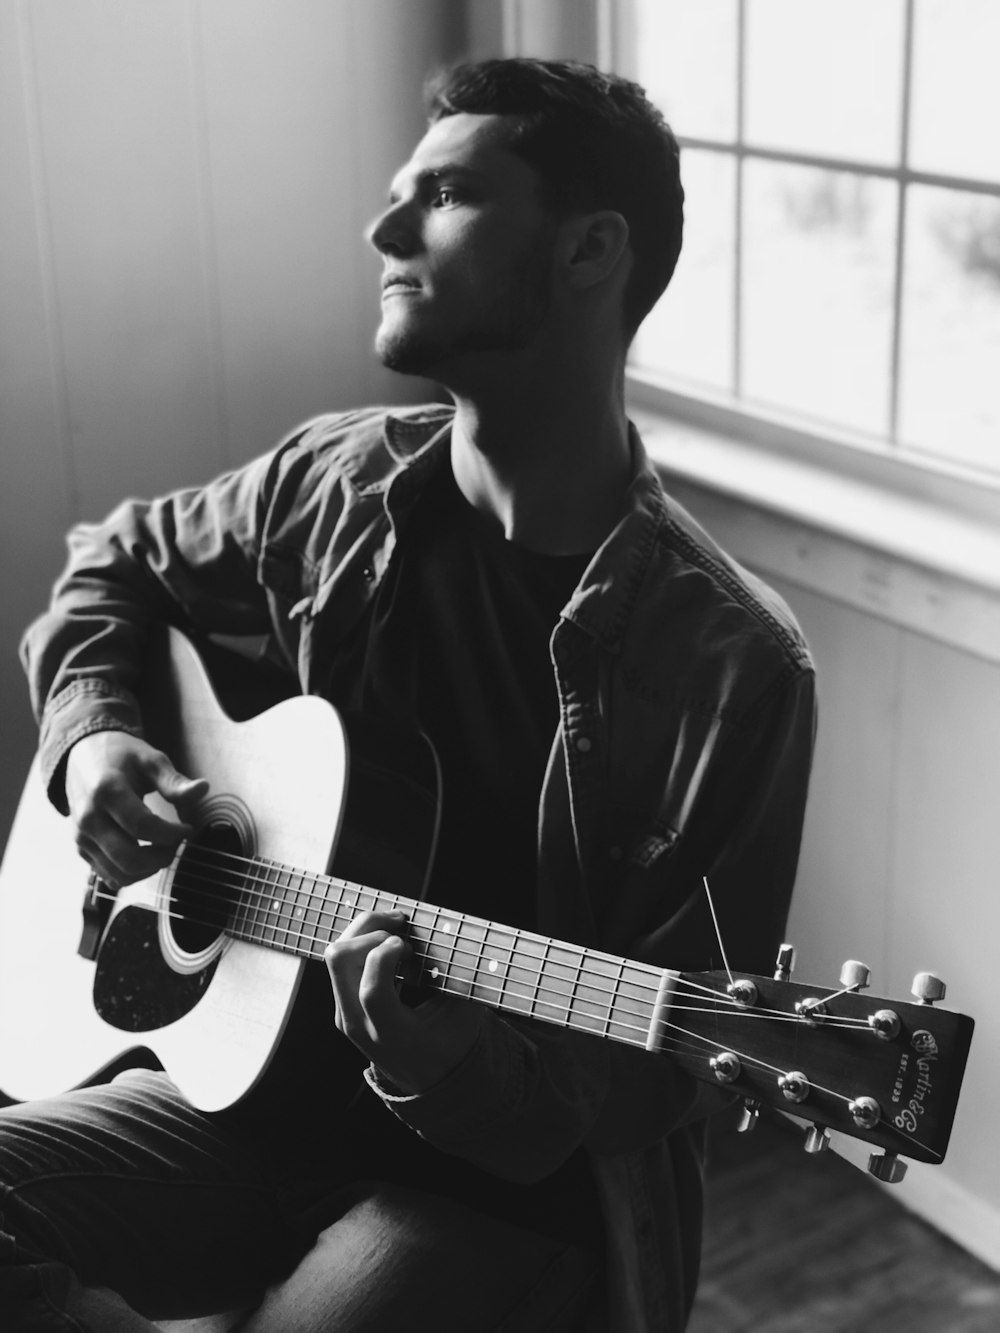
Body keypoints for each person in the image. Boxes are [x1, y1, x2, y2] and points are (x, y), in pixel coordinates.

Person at [4, 58, 816, 1333]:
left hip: (484, 1188)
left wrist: (443, 1069)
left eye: (441, 195)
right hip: (238, 1097)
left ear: (590, 250)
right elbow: (112, 564)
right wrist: (98, 739)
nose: (382, 231)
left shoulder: (732, 665)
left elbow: (652, 1079)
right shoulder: (330, 480)